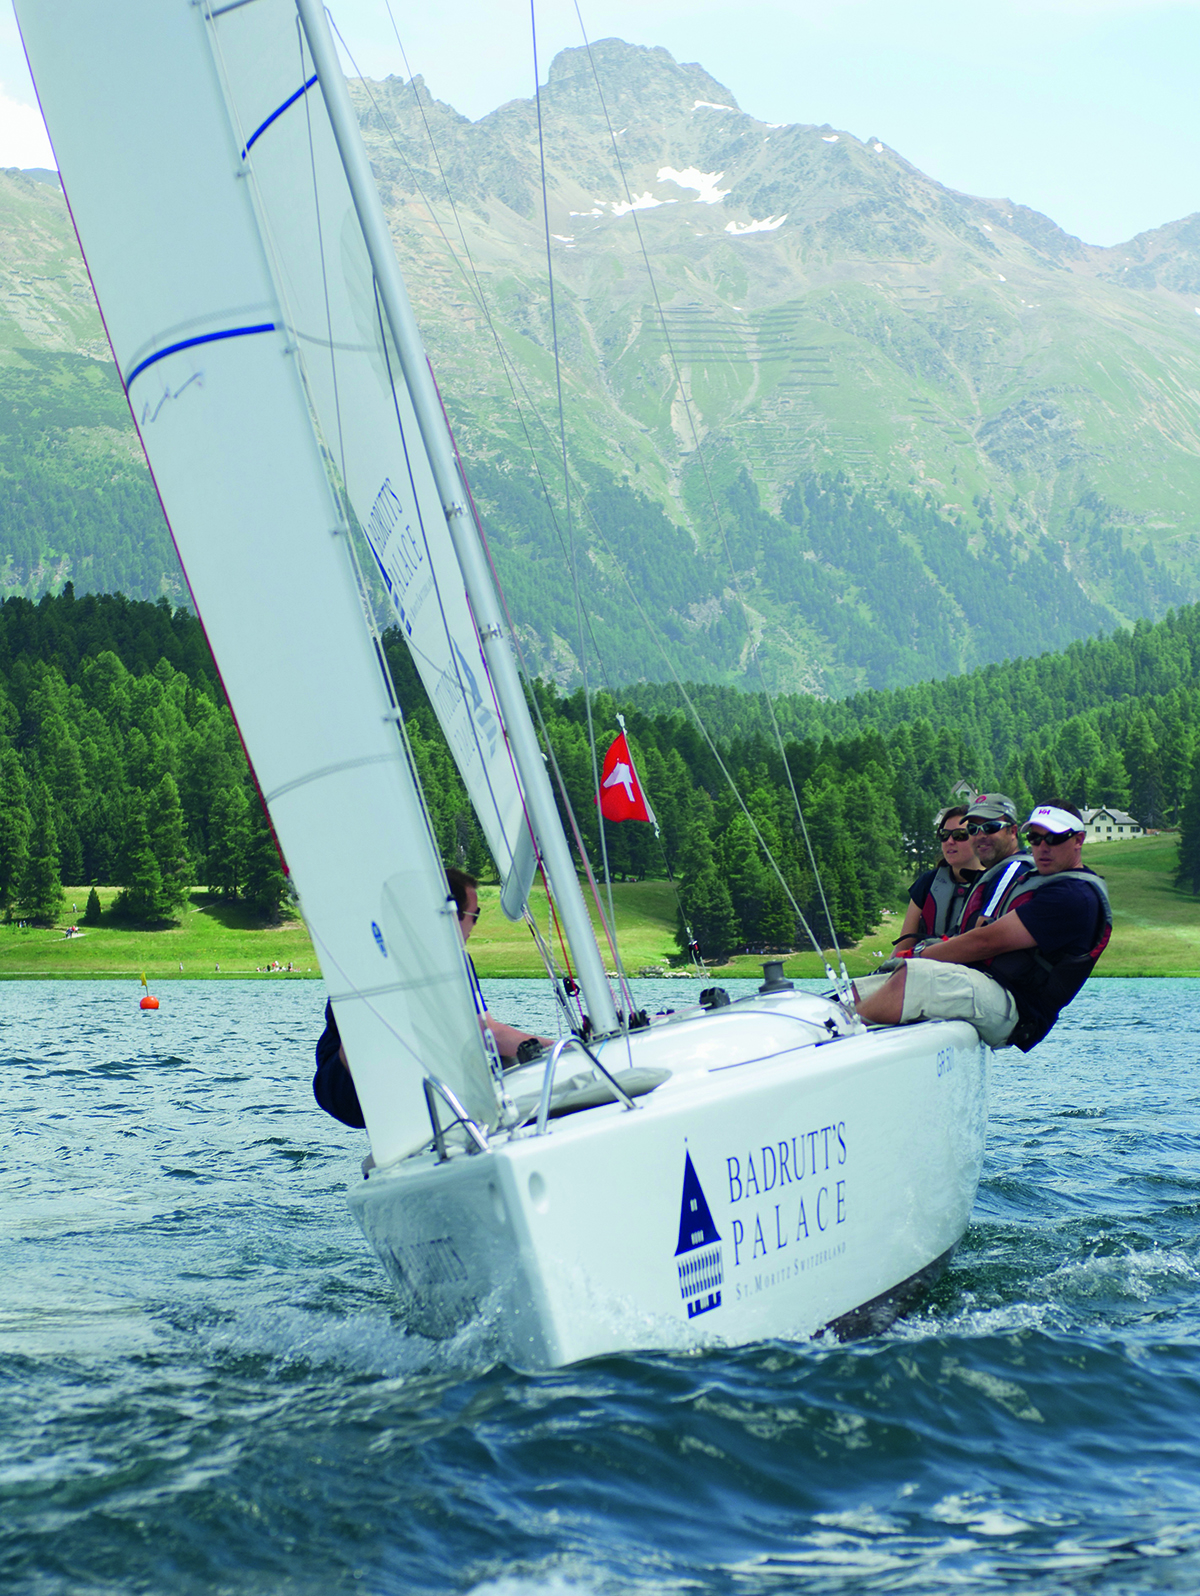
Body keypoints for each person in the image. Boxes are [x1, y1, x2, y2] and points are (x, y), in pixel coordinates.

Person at [856, 802, 1111, 1052]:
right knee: (858, 991)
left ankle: (843, 1040)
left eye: (1054, 838)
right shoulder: (1040, 881)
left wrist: (916, 955)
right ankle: (838, 1025)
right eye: (1035, 838)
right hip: (987, 984)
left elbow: (986, 942)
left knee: (915, 979)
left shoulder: (1074, 896)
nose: (1042, 847)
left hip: (1017, 1007)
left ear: (1078, 840)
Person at [313, 868, 553, 1129]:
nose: (474, 925)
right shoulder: (377, 957)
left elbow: (485, 1030)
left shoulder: (456, 960)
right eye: (475, 916)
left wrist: (545, 1046)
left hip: (404, 1075)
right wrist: (556, 1046)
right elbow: (488, 1032)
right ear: (450, 914)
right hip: (343, 1082)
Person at [891, 804, 982, 954]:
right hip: (923, 969)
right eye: (944, 835)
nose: (950, 841)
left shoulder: (993, 884)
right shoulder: (928, 882)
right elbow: (904, 945)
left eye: (959, 835)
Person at [958, 793, 1033, 932]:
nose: (980, 835)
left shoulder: (1012, 871)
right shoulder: (995, 872)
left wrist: (920, 952)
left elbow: (981, 937)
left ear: (1013, 831)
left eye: (990, 827)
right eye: (973, 829)